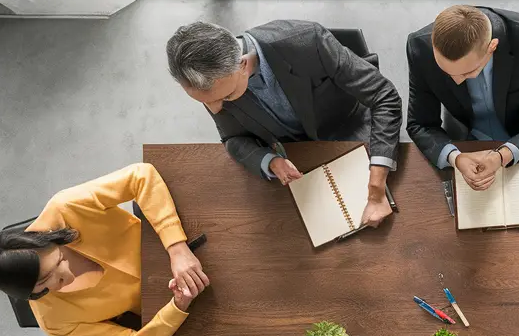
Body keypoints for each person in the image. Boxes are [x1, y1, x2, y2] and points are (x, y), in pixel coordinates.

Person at [166, 20, 402, 227]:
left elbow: (384, 96)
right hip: (298, 158)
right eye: (206, 104)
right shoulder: (212, 83)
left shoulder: (306, 40)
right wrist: (270, 161)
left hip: (350, 130)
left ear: (243, 65)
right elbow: (233, 138)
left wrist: (376, 187)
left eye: (225, 98)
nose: (216, 109)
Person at [0, 163, 207, 336]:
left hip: (180, 247)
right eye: (50, 283)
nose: (67, 277)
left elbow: (141, 176)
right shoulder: (55, 323)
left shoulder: (65, 207)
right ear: (29, 294)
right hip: (169, 299)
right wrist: (177, 305)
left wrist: (177, 248)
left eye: (60, 260)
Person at [406, 5, 519, 191]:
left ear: (492, 47)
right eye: (446, 71)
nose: (455, 80)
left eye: (467, 73)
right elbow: (420, 124)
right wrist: (455, 157)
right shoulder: (420, 47)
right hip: (465, 139)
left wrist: (503, 154)